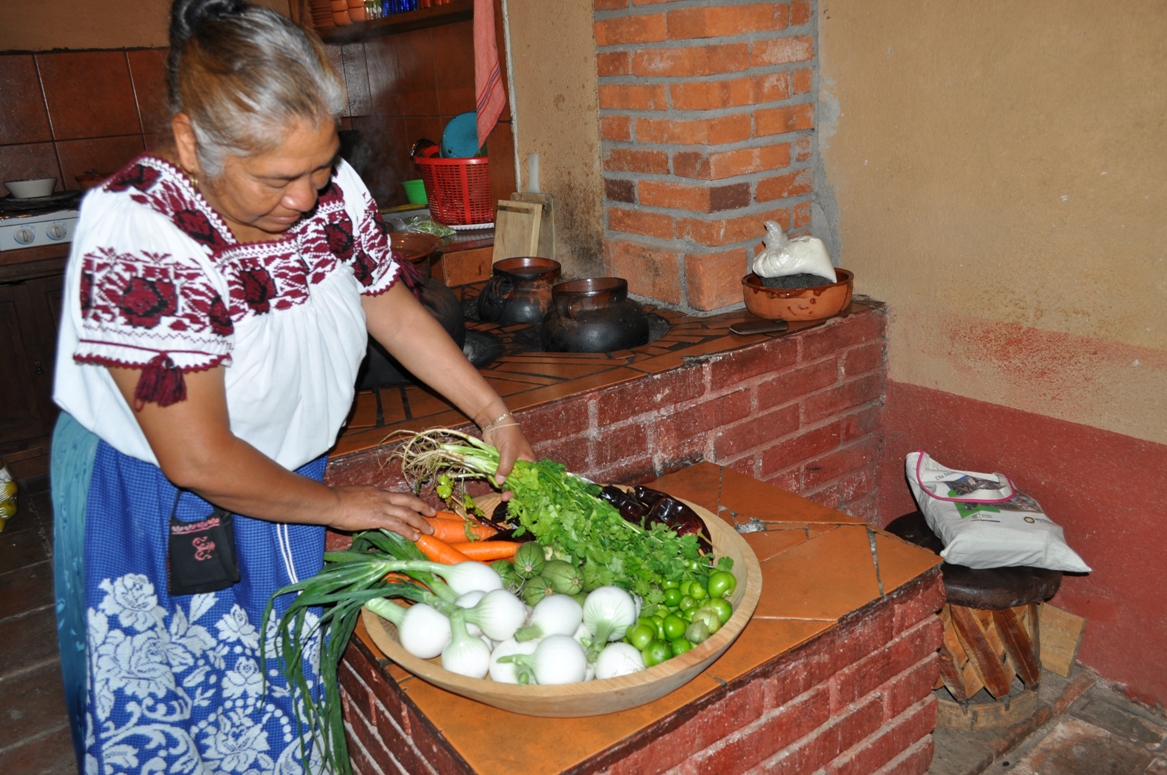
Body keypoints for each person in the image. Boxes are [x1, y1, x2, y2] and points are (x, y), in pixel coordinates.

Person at [49, 1, 534, 772]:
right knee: (194, 716)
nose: (307, 197)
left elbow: (386, 304)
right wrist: (340, 505)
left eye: (320, 166)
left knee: (281, 694)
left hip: (283, 479)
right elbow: (197, 458)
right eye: (277, 179)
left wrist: (492, 411)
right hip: (169, 501)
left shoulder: (323, 186)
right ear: (190, 141)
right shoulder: (140, 234)